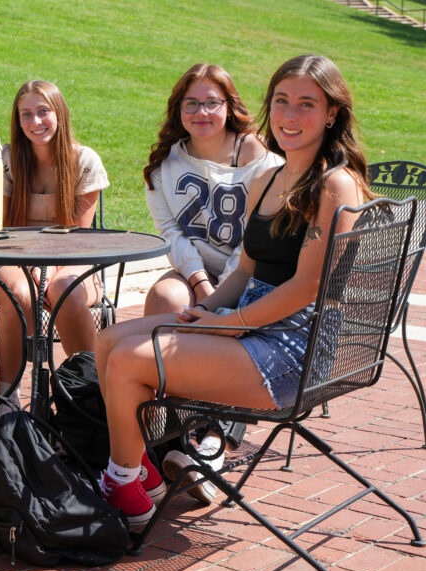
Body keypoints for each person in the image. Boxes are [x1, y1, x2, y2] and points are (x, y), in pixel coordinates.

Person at [96, 54, 375, 531]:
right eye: (281, 101)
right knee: (108, 342)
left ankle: (123, 485)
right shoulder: (266, 178)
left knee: (127, 361)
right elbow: (244, 269)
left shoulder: (336, 185)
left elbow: (308, 287)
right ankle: (141, 471)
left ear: (332, 113)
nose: (289, 116)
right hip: (247, 328)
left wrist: (225, 325)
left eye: (306, 104)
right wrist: (203, 310)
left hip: (292, 349)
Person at [141, 64, 284, 503]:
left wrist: (224, 292)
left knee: (220, 320)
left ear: (229, 106)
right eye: (191, 103)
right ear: (178, 108)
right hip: (196, 269)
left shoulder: (259, 157)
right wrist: (201, 283)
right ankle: (171, 429)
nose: (201, 111)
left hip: (252, 272)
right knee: (165, 296)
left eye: (211, 102)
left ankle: (212, 437)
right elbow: (172, 234)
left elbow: (256, 239)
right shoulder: (166, 163)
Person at [0, 80, 109, 414]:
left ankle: (93, 394)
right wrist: (33, 270)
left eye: (43, 112)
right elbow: (3, 228)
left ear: (60, 114)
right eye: (26, 114)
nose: (35, 121)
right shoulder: (8, 159)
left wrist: (46, 271)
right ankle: (7, 397)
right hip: (17, 254)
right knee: (20, 292)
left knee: (64, 290)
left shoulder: (84, 160)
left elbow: (79, 237)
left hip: (72, 255)